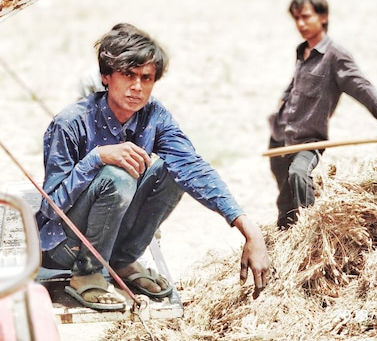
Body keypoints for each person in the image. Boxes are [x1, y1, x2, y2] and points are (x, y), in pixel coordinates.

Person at [36, 23, 270, 311]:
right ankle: (87, 274)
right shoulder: (70, 122)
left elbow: (194, 169)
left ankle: (122, 261)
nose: (137, 87)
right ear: (106, 77)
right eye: (128, 75)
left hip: (114, 237)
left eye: (146, 78)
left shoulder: (155, 116)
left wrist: (249, 229)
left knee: (173, 169)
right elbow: (49, 209)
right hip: (66, 246)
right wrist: (96, 158)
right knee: (117, 176)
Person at [268, 0, 377, 230]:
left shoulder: (336, 56)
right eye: (296, 18)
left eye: (305, 17)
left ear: (323, 17)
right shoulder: (302, 51)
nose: (300, 24)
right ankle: (286, 246)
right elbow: (295, 91)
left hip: (307, 142)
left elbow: (368, 94)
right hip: (279, 141)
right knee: (286, 209)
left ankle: (312, 234)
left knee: (298, 174)